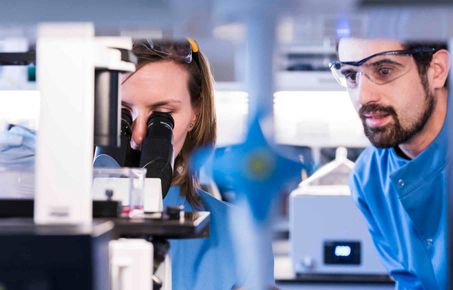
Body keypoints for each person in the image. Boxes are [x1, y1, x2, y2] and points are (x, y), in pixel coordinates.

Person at [119, 38, 274, 289]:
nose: (138, 137)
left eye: (162, 116)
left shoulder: (240, 237)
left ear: (195, 114)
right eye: (124, 113)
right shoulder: (58, 221)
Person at [330, 38, 450, 289]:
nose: (363, 97)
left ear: (436, 70)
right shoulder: (368, 177)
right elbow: (410, 283)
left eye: (384, 71)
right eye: (352, 76)